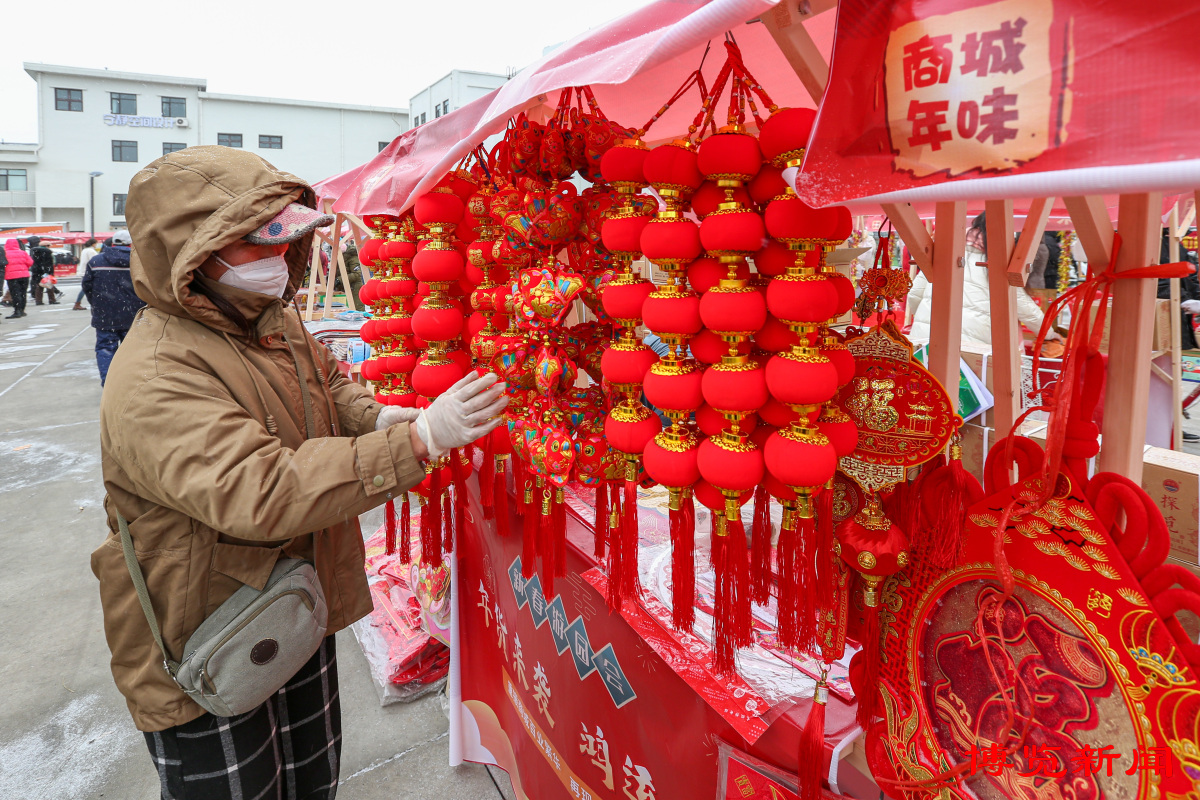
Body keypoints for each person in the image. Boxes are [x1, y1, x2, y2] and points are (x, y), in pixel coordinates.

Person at [91, 145, 507, 800]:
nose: (278, 262)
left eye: (285, 246)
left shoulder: (271, 321)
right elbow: (261, 490)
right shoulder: (154, 373)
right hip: (205, 630)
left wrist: (379, 418)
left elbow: (329, 389)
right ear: (199, 255)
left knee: (313, 779)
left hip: (291, 602)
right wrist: (419, 441)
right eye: (259, 247)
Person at [906, 212, 1052, 347]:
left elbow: (914, 295)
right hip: (970, 350)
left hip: (923, 342)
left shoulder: (943, 254)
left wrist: (924, 320)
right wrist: (1051, 334)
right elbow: (1026, 310)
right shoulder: (998, 264)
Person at [81, 230, 144, 385]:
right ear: (131, 243)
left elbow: (87, 287)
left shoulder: (96, 262)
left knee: (105, 349)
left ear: (112, 242)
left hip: (105, 315)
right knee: (133, 349)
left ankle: (109, 384)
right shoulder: (139, 262)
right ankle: (132, 383)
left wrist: (98, 305)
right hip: (133, 315)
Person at [27, 235, 61, 305]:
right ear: (47, 246)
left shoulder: (33, 251)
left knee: (39, 286)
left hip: (37, 271)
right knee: (49, 285)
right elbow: (49, 263)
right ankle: (52, 300)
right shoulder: (47, 252)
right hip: (46, 271)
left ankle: (38, 301)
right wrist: (49, 272)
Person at [3, 238, 31, 319]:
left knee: (15, 293)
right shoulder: (23, 252)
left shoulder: (5, 253)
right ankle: (22, 310)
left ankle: (17, 311)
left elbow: (3, 264)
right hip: (25, 275)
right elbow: (30, 262)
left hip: (12, 276)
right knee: (23, 293)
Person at [75, 237, 100, 310]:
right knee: (86, 288)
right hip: (89, 271)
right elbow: (95, 260)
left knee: (86, 287)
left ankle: (78, 303)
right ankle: (77, 303)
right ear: (93, 244)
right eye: (96, 243)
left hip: (83, 270)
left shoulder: (84, 250)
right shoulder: (91, 251)